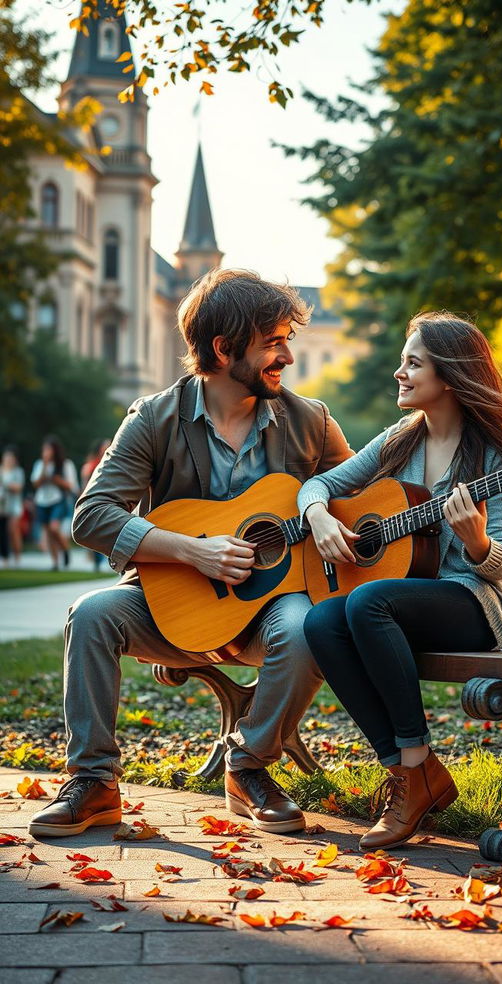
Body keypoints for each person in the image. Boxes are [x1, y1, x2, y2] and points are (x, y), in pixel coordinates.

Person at [29, 268, 352, 839]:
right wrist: (193, 552)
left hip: (270, 611)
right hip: (172, 606)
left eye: (287, 341)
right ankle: (94, 782)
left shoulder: (311, 421)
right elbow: (92, 516)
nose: (288, 358)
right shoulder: (154, 417)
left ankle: (248, 767)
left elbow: (360, 498)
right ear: (224, 349)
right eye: (273, 343)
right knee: (92, 614)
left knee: (307, 625)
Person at [299, 311, 502, 851]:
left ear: (450, 376)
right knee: (321, 619)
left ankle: (411, 770)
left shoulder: (495, 456)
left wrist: (478, 540)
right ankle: (410, 774)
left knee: (368, 601)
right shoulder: (400, 441)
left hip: (476, 603)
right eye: (402, 361)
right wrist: (320, 515)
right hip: (405, 602)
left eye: (413, 363)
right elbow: (319, 484)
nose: (400, 372)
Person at [30, 436, 79, 571]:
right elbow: (35, 484)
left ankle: (65, 549)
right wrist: (45, 468)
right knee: (48, 533)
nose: (46, 452)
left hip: (58, 500)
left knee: (54, 528)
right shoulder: (39, 464)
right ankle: (55, 562)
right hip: (41, 501)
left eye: (49, 449)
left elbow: (73, 486)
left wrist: (58, 481)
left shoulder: (66, 464)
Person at [80, 439, 112, 569]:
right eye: (105, 447)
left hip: (109, 500)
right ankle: (97, 561)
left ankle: (105, 560)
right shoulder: (92, 465)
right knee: (94, 531)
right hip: (93, 500)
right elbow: (85, 482)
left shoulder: (115, 463)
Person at [0, 447, 25, 566]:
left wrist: (6, 485)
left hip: (14, 506)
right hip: (2, 506)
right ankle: (5, 557)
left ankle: (17, 556)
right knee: (2, 532)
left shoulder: (18, 471)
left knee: (13, 530)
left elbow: (18, 487)